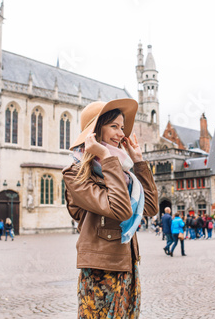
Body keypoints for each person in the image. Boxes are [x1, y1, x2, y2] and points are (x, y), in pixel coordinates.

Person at [62, 99, 158, 318]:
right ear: (95, 131)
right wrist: (107, 158)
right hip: (101, 269)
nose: (120, 134)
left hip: (127, 264)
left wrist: (140, 163)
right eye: (114, 126)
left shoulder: (123, 173)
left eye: (122, 128)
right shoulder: (75, 173)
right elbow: (120, 210)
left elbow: (151, 208)